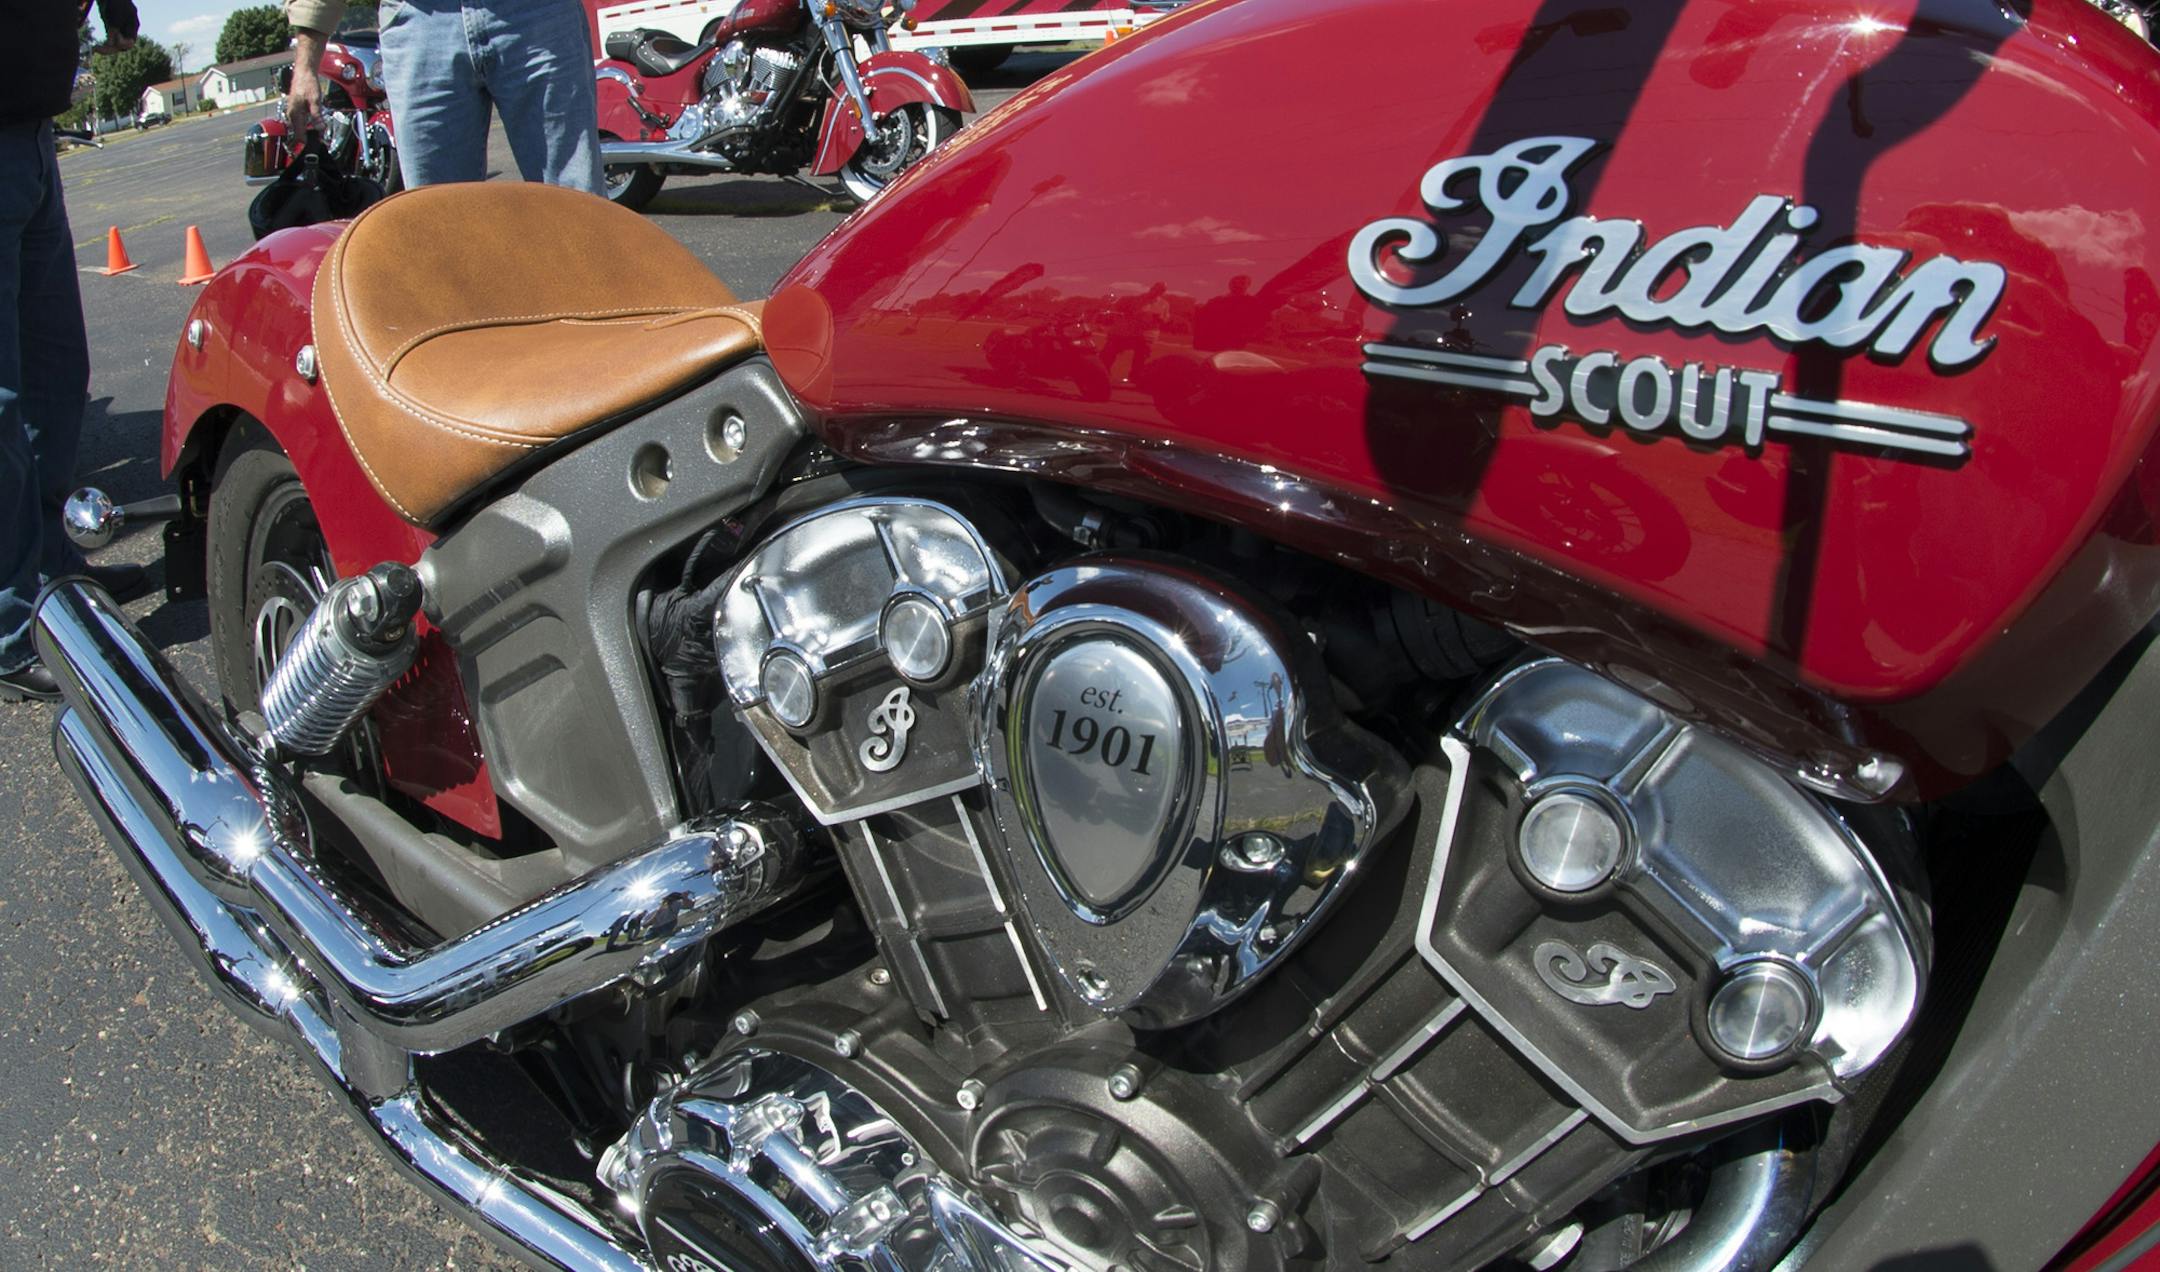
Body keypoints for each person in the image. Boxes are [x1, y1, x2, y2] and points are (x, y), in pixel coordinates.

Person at [0, 0, 152, 703]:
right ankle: (8, 625)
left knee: (58, 377)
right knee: (3, 401)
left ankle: (54, 572)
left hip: (33, 129)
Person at [283, 0, 601, 193]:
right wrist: (307, 62)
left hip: (536, 15)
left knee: (576, 202)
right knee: (440, 226)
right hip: (419, 19)